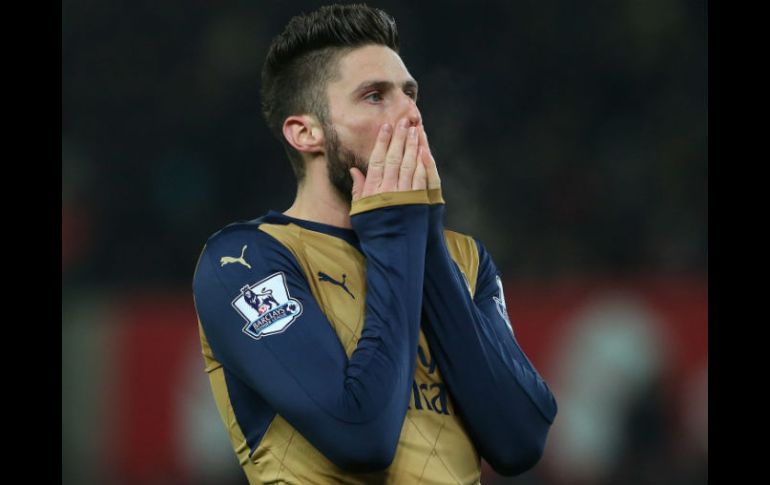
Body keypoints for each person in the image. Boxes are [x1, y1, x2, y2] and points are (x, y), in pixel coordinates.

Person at [192, 4, 557, 484]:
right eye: (374, 96)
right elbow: (361, 436)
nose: (411, 114)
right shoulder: (246, 261)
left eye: (410, 94)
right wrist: (391, 233)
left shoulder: (465, 260)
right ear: (306, 133)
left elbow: (520, 440)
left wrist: (425, 240)